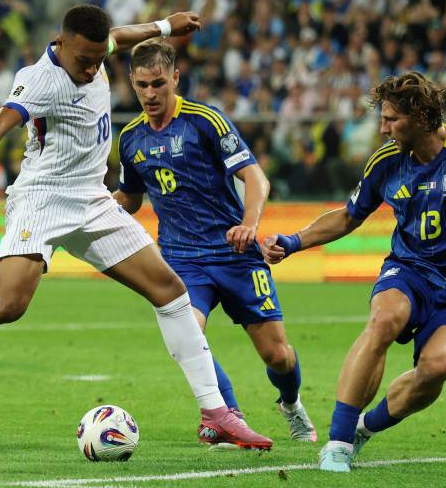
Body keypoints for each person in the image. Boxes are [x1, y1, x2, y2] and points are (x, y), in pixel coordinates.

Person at [0, 5, 272, 449]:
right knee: (7, 307)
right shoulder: (40, 79)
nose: (93, 68)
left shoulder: (94, 48)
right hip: (41, 199)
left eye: (100, 59)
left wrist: (165, 27)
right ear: (61, 43)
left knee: (170, 291)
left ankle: (216, 414)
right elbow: (2, 120)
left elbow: (121, 35)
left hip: (92, 198)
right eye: (85, 60)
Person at [263, 72, 446, 472]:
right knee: (384, 320)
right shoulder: (386, 160)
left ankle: (363, 428)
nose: (383, 128)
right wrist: (293, 241)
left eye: (391, 119)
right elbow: (348, 216)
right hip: (408, 270)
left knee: (436, 369)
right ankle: (338, 442)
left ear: (421, 117)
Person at [113, 39, 317, 447]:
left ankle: (292, 404)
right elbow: (130, 199)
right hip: (181, 260)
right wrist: (90, 206)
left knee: (277, 355)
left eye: (158, 83)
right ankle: (227, 414)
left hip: (234, 253)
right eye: (142, 86)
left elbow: (255, 177)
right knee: (188, 336)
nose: (150, 94)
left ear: (175, 78)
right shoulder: (131, 138)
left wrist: (248, 223)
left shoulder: (205, 121)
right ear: (132, 83)